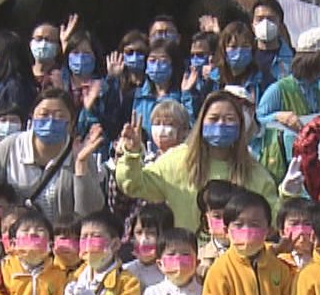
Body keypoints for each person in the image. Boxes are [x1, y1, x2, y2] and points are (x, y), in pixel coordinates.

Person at [115, 91, 278, 232]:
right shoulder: (176, 160)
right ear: (201, 124)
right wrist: (132, 154)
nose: (221, 124)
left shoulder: (254, 172)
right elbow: (133, 185)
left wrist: (287, 193)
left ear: (241, 127)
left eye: (229, 119)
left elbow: (275, 219)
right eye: (214, 119)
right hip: (187, 260)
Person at [0, 89, 103, 225]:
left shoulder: (79, 153)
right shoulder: (10, 147)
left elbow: (91, 214)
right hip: (15, 239)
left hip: (61, 241)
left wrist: (81, 164)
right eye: (44, 115)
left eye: (59, 116)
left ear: (71, 122)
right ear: (32, 118)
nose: (50, 121)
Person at [255, 28, 320, 177]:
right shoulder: (278, 89)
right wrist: (277, 116)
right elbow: (256, 122)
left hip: (314, 166)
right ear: (315, 60)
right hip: (283, 167)